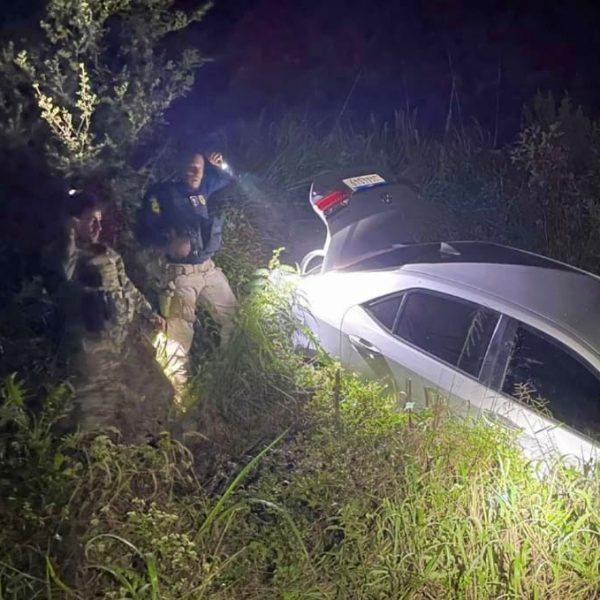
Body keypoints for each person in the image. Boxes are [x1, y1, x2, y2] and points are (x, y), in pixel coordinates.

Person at [43, 190, 173, 441]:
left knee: (158, 391)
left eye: (100, 221)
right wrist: (68, 233)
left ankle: (146, 447)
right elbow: (63, 276)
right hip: (92, 349)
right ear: (74, 221)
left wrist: (150, 313)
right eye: (91, 220)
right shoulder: (65, 256)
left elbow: (128, 288)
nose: (97, 227)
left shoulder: (108, 254)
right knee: (93, 416)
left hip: (124, 340)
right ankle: (89, 462)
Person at [136, 150, 239, 388]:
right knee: (179, 337)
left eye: (199, 168)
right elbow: (144, 229)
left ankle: (227, 376)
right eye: (191, 167)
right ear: (180, 167)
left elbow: (231, 177)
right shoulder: (162, 194)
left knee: (234, 318)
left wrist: (220, 165)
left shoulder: (202, 187)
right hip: (180, 275)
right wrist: (167, 243)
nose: (195, 173)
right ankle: (179, 392)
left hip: (208, 270)